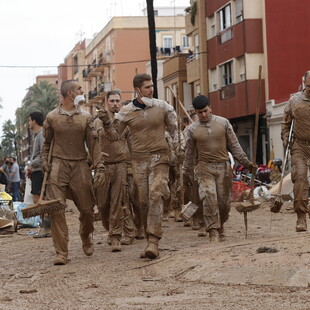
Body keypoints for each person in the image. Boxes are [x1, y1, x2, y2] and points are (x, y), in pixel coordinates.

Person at [98, 73, 180, 259]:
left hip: (160, 157)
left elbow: (174, 130)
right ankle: (147, 232)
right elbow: (114, 136)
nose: (151, 89)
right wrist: (105, 122)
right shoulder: (126, 112)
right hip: (139, 161)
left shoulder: (163, 107)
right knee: (142, 201)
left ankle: (153, 241)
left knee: (155, 195)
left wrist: (174, 151)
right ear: (137, 90)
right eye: (147, 87)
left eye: (152, 86)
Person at [41, 79, 105, 265]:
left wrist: (99, 165)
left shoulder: (86, 117)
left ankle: (86, 235)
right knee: (57, 209)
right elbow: (46, 144)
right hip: (58, 166)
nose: (81, 90)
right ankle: (61, 252)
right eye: (78, 88)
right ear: (70, 93)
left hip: (80, 166)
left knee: (86, 210)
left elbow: (93, 145)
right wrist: (45, 161)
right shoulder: (52, 117)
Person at [183, 95, 257, 242]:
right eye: (199, 112)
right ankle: (213, 230)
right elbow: (189, 154)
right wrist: (186, 172)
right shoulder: (192, 130)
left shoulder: (224, 123)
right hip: (204, 168)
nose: (203, 115)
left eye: (205, 110)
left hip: (223, 167)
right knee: (209, 197)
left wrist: (247, 163)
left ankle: (221, 224)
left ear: (211, 107)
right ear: (195, 112)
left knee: (224, 203)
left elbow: (234, 145)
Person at [94, 90, 135, 252]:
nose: (115, 104)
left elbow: (118, 138)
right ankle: (110, 229)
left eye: (118, 101)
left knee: (118, 202)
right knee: (102, 204)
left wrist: (132, 165)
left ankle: (116, 235)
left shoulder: (124, 121)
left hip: (120, 165)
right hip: (103, 166)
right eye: (112, 101)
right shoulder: (96, 122)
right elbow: (91, 143)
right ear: (106, 102)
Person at [281, 70, 310, 232]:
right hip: (300, 145)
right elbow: (286, 123)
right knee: (300, 177)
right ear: (305, 83)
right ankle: (301, 217)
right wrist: (286, 138)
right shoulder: (294, 101)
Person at [27, 111, 51, 238]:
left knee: (39, 199)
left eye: (29, 120)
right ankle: (45, 226)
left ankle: (47, 226)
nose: (29, 123)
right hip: (37, 170)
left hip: (39, 171)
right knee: (39, 198)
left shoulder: (41, 135)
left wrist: (32, 165)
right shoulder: (38, 135)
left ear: (34, 121)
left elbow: (43, 154)